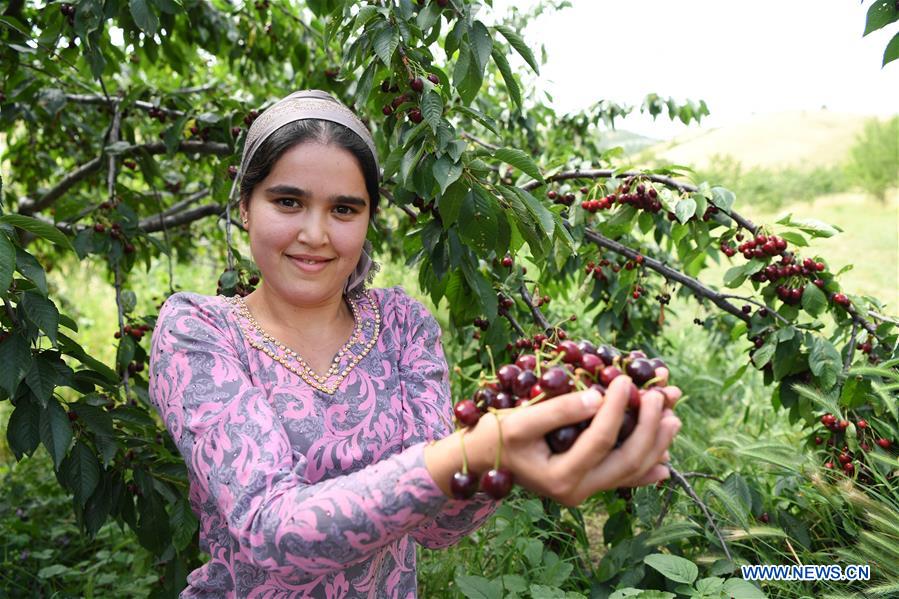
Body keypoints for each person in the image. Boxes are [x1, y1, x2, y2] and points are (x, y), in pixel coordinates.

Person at [148, 90, 682, 598]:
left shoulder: (401, 324)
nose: (315, 233)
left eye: (344, 210)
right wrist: (477, 448)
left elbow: (438, 526)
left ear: (367, 220)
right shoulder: (200, 332)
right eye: (288, 202)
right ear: (245, 205)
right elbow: (274, 533)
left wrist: (516, 454)